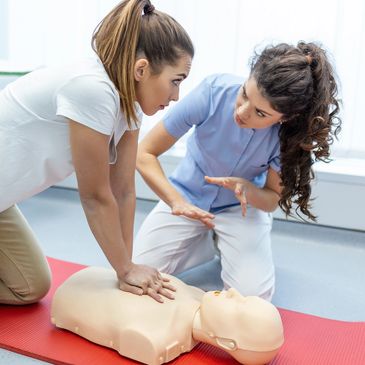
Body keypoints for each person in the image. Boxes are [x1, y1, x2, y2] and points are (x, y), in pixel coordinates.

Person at [0, 0, 194, 305]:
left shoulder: (129, 102)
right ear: (141, 69)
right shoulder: (92, 88)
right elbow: (95, 196)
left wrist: (126, 272)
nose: (176, 96)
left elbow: (123, 190)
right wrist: (126, 268)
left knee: (29, 285)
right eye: (175, 81)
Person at [134, 42, 342, 301]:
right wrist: (176, 202)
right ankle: (205, 244)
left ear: (285, 118)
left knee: (253, 299)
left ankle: (222, 240)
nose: (242, 112)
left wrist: (248, 189)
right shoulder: (213, 92)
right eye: (245, 94)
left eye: (260, 112)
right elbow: (144, 153)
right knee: (139, 273)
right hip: (186, 196)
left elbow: (270, 199)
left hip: (240, 208)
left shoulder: (288, 137)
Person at [51, 267, 284, 365]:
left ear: (226, 342)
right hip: (83, 284)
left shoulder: (157, 339)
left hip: (68, 297)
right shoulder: (194, 295)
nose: (232, 292)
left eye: (238, 306)